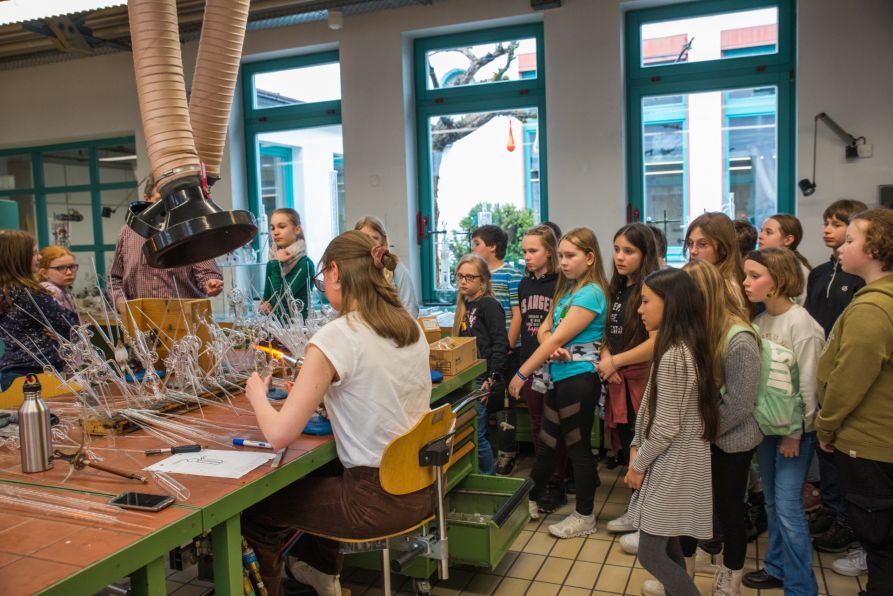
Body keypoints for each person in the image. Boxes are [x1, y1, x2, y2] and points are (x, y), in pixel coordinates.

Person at [240, 230, 433, 596]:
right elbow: (380, 391)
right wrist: (324, 397)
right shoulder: (408, 326)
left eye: (320, 279)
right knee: (327, 471)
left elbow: (278, 435)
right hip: (419, 487)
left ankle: (291, 583)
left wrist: (257, 398)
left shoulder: (337, 335)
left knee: (255, 511)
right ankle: (320, 573)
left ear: (333, 272)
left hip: (371, 501)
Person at [508, 227, 609, 539]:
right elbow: (544, 330)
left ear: (590, 258)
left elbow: (557, 335)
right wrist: (553, 341)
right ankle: (533, 499)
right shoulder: (567, 291)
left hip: (579, 380)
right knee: (547, 443)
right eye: (561, 256)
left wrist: (521, 373)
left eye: (570, 256)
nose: (563, 262)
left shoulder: (591, 292)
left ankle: (585, 515)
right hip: (559, 378)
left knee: (578, 448)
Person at [624, 268, 718, 596]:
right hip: (676, 461)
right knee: (669, 547)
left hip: (673, 465)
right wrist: (637, 445)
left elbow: (665, 428)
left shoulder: (674, 355)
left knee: (650, 553)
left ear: (671, 304)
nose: (640, 309)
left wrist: (638, 465)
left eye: (647, 301)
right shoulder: (681, 345)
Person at [816, 208, 893, 596]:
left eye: (850, 240)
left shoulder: (871, 307)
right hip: (882, 442)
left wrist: (826, 425)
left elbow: (849, 379)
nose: (842, 247)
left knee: (880, 543)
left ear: (876, 247)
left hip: (870, 444)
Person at [741, 248, 824, 595]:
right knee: (774, 503)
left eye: (755, 276)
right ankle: (776, 567)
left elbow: (809, 384)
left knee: (789, 507)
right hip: (767, 429)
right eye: (746, 275)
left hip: (794, 434)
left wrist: (795, 432)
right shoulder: (760, 322)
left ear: (778, 281)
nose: (746, 282)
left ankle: (802, 587)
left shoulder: (801, 324)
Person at [684, 260, 762, 595]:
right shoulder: (703, 328)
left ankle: (729, 580)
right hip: (707, 434)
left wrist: (705, 433)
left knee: (730, 511)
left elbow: (741, 404)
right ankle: (681, 578)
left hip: (732, 440)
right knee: (690, 506)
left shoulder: (739, 338)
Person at [804, 199, 868, 561]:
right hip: (820, 369)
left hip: (847, 371)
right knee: (823, 451)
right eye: (826, 222)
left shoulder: (860, 279)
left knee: (842, 453)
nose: (828, 229)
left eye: (838, 224)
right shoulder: (818, 272)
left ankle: (848, 522)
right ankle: (831, 511)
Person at [600, 223, 659, 531]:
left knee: (645, 448)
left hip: (642, 380)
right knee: (627, 446)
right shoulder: (618, 287)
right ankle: (636, 508)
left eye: (629, 251)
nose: (620, 257)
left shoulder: (652, 288)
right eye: (617, 249)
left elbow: (657, 341)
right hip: (618, 377)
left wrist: (616, 361)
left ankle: (648, 516)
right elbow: (610, 332)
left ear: (645, 254)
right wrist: (607, 356)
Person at [108, 175, 223, 312]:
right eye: (160, 202)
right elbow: (114, 279)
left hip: (185, 324)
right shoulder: (127, 232)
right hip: (139, 324)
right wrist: (122, 304)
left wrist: (211, 283)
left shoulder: (189, 229)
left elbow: (207, 272)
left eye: (172, 202)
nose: (167, 209)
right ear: (146, 198)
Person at [516, 224, 565, 511]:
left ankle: (557, 481)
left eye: (533, 251)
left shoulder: (560, 283)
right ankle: (545, 479)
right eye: (524, 251)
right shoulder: (525, 284)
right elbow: (524, 324)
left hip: (555, 365)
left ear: (549, 252)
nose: (527, 257)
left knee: (556, 427)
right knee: (538, 426)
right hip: (530, 363)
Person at [471, 224, 523, 474]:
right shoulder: (479, 278)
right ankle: (488, 452)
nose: (473, 248)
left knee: (505, 404)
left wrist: (507, 346)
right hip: (486, 353)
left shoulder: (511, 275)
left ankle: (507, 453)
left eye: (477, 243)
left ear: (492, 247)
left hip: (506, 351)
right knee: (484, 403)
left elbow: (517, 313)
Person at [452, 253, 508, 476]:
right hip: (466, 378)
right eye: (460, 276)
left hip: (482, 378)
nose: (463, 281)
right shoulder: (466, 305)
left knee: (478, 432)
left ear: (483, 281)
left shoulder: (489, 305)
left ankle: (488, 479)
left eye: (470, 277)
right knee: (471, 430)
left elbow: (500, 344)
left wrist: (490, 379)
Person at [0, 231, 78, 391]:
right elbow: (70, 326)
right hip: (35, 374)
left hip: (13, 371)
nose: (39, 257)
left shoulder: (6, 290)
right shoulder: (28, 293)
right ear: (20, 257)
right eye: (34, 253)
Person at [355, 215, 419, 318]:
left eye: (375, 238)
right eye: (364, 238)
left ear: (383, 241)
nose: (369, 243)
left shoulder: (395, 268)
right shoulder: (351, 269)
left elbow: (411, 310)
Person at [260, 208, 314, 322]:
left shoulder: (305, 264)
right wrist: (264, 306)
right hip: (274, 329)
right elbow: (268, 300)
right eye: (272, 228)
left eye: (282, 226)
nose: (276, 232)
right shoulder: (272, 262)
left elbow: (279, 300)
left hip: (298, 330)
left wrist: (277, 264)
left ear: (297, 229)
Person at [684, 212, 746, 307]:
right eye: (690, 243)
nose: (693, 251)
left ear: (723, 248)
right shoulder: (699, 277)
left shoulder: (728, 287)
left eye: (703, 244)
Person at [758, 214, 811, 305]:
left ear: (788, 240)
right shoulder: (764, 265)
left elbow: (799, 305)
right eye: (761, 231)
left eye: (768, 232)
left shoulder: (799, 271)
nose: (760, 236)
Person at [37, 245, 79, 312]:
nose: (69, 272)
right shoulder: (51, 290)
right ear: (44, 273)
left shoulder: (63, 289)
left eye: (72, 266)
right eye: (61, 268)